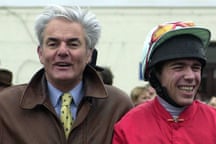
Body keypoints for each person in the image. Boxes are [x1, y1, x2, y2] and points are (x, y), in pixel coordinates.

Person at [0, 5, 133, 144]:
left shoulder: (117, 106)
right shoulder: (6, 107)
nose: (62, 51)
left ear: (89, 54)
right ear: (40, 53)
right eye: (53, 44)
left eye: (73, 44)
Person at [112, 21, 216, 143]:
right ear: (156, 75)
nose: (190, 76)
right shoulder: (127, 128)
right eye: (179, 67)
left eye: (196, 67)